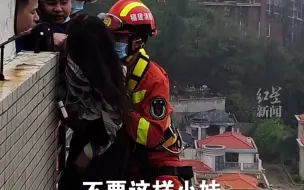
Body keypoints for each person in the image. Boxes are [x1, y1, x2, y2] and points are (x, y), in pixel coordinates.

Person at [99, 0, 194, 189]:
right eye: (111, 38)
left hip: (157, 159)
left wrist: (123, 108)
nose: (114, 44)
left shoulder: (154, 80)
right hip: (125, 152)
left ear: (138, 40)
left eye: (121, 38)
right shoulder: (108, 66)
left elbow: (152, 135)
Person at [57, 14, 133, 190]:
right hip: (88, 137)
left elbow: (111, 126)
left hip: (105, 146)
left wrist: (86, 155)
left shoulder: (104, 78)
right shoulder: (94, 68)